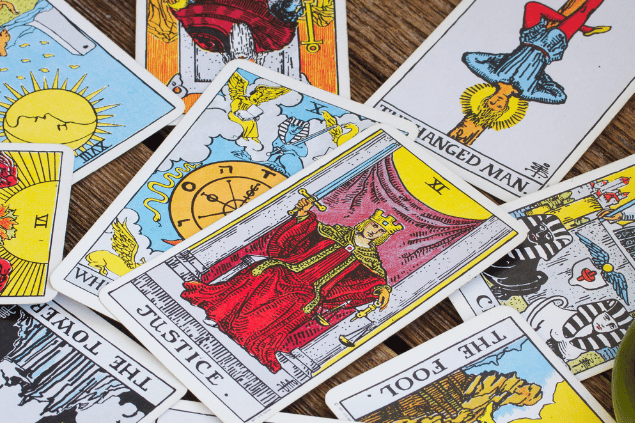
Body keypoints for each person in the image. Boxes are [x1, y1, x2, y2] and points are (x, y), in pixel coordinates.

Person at [181, 198, 404, 372]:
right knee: (268, 273)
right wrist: (303, 215)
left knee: (300, 303)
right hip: (290, 269)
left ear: (383, 236)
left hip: (311, 289)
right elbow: (306, 230)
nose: (374, 230)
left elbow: (373, 281)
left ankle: (247, 333)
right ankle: (219, 314)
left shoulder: (371, 259)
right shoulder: (337, 232)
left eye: (380, 231)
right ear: (367, 222)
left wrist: (382, 289)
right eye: (374, 225)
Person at [450, 0, 610, 144]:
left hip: (530, 37)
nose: (497, 101)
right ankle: (583, 26)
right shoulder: (527, 91)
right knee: (584, 10)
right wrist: (540, 76)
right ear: (505, 107)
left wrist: (505, 59)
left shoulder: (492, 75)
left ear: (487, 98)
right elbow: (559, 96)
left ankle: (585, 28)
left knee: (532, 6)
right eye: (498, 106)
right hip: (551, 44)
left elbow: (470, 58)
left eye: (491, 102)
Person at [484, 214, 572, 300]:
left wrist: (507, 292)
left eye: (547, 236)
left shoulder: (529, 262)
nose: (539, 234)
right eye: (542, 228)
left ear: (549, 244)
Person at [524, 297, 633, 361]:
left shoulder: (592, 343)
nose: (605, 324)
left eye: (612, 326)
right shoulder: (568, 318)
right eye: (606, 318)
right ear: (599, 311)